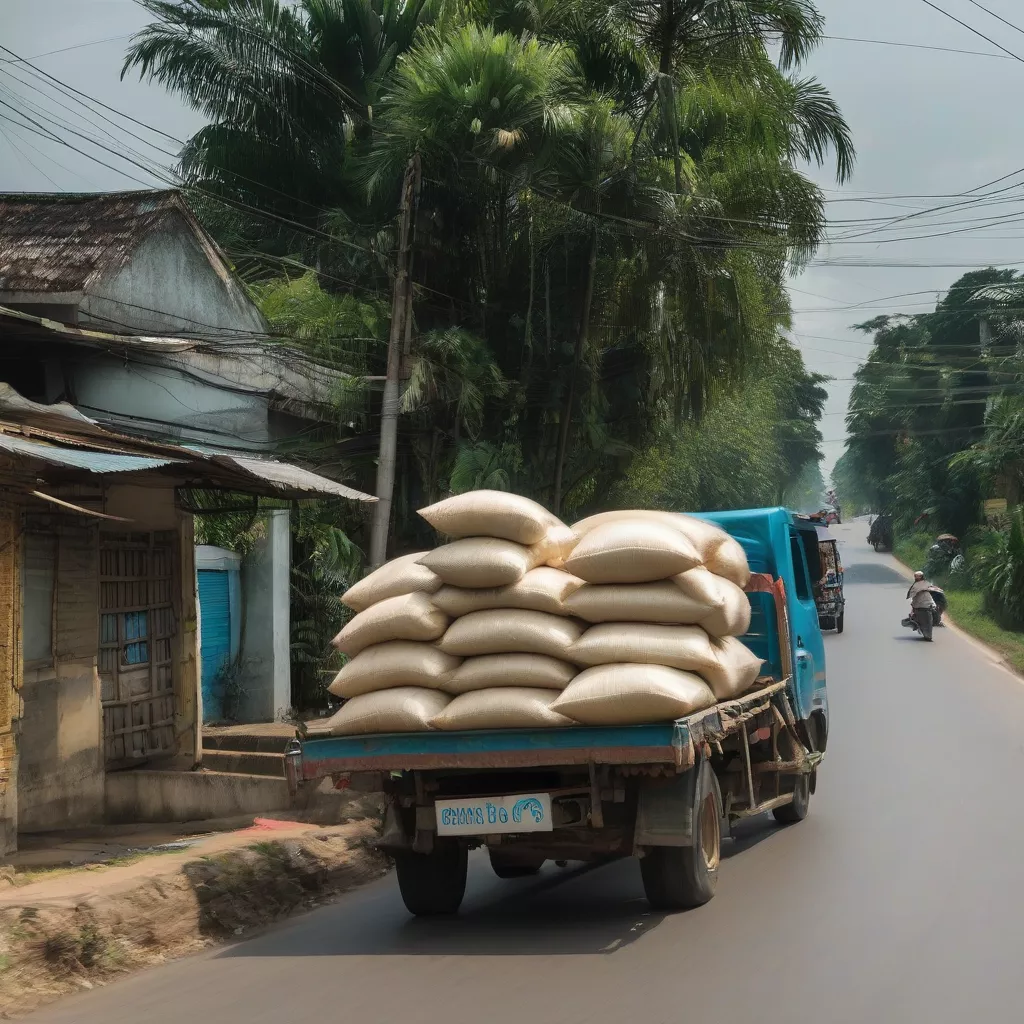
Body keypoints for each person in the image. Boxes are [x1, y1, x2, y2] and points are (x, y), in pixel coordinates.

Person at [907, 570, 937, 641]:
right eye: (916, 576)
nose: (916, 577)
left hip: (925, 606)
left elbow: (912, 596)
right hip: (926, 605)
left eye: (918, 576)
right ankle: (928, 634)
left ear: (921, 577)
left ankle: (927, 633)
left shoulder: (916, 586)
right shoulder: (926, 584)